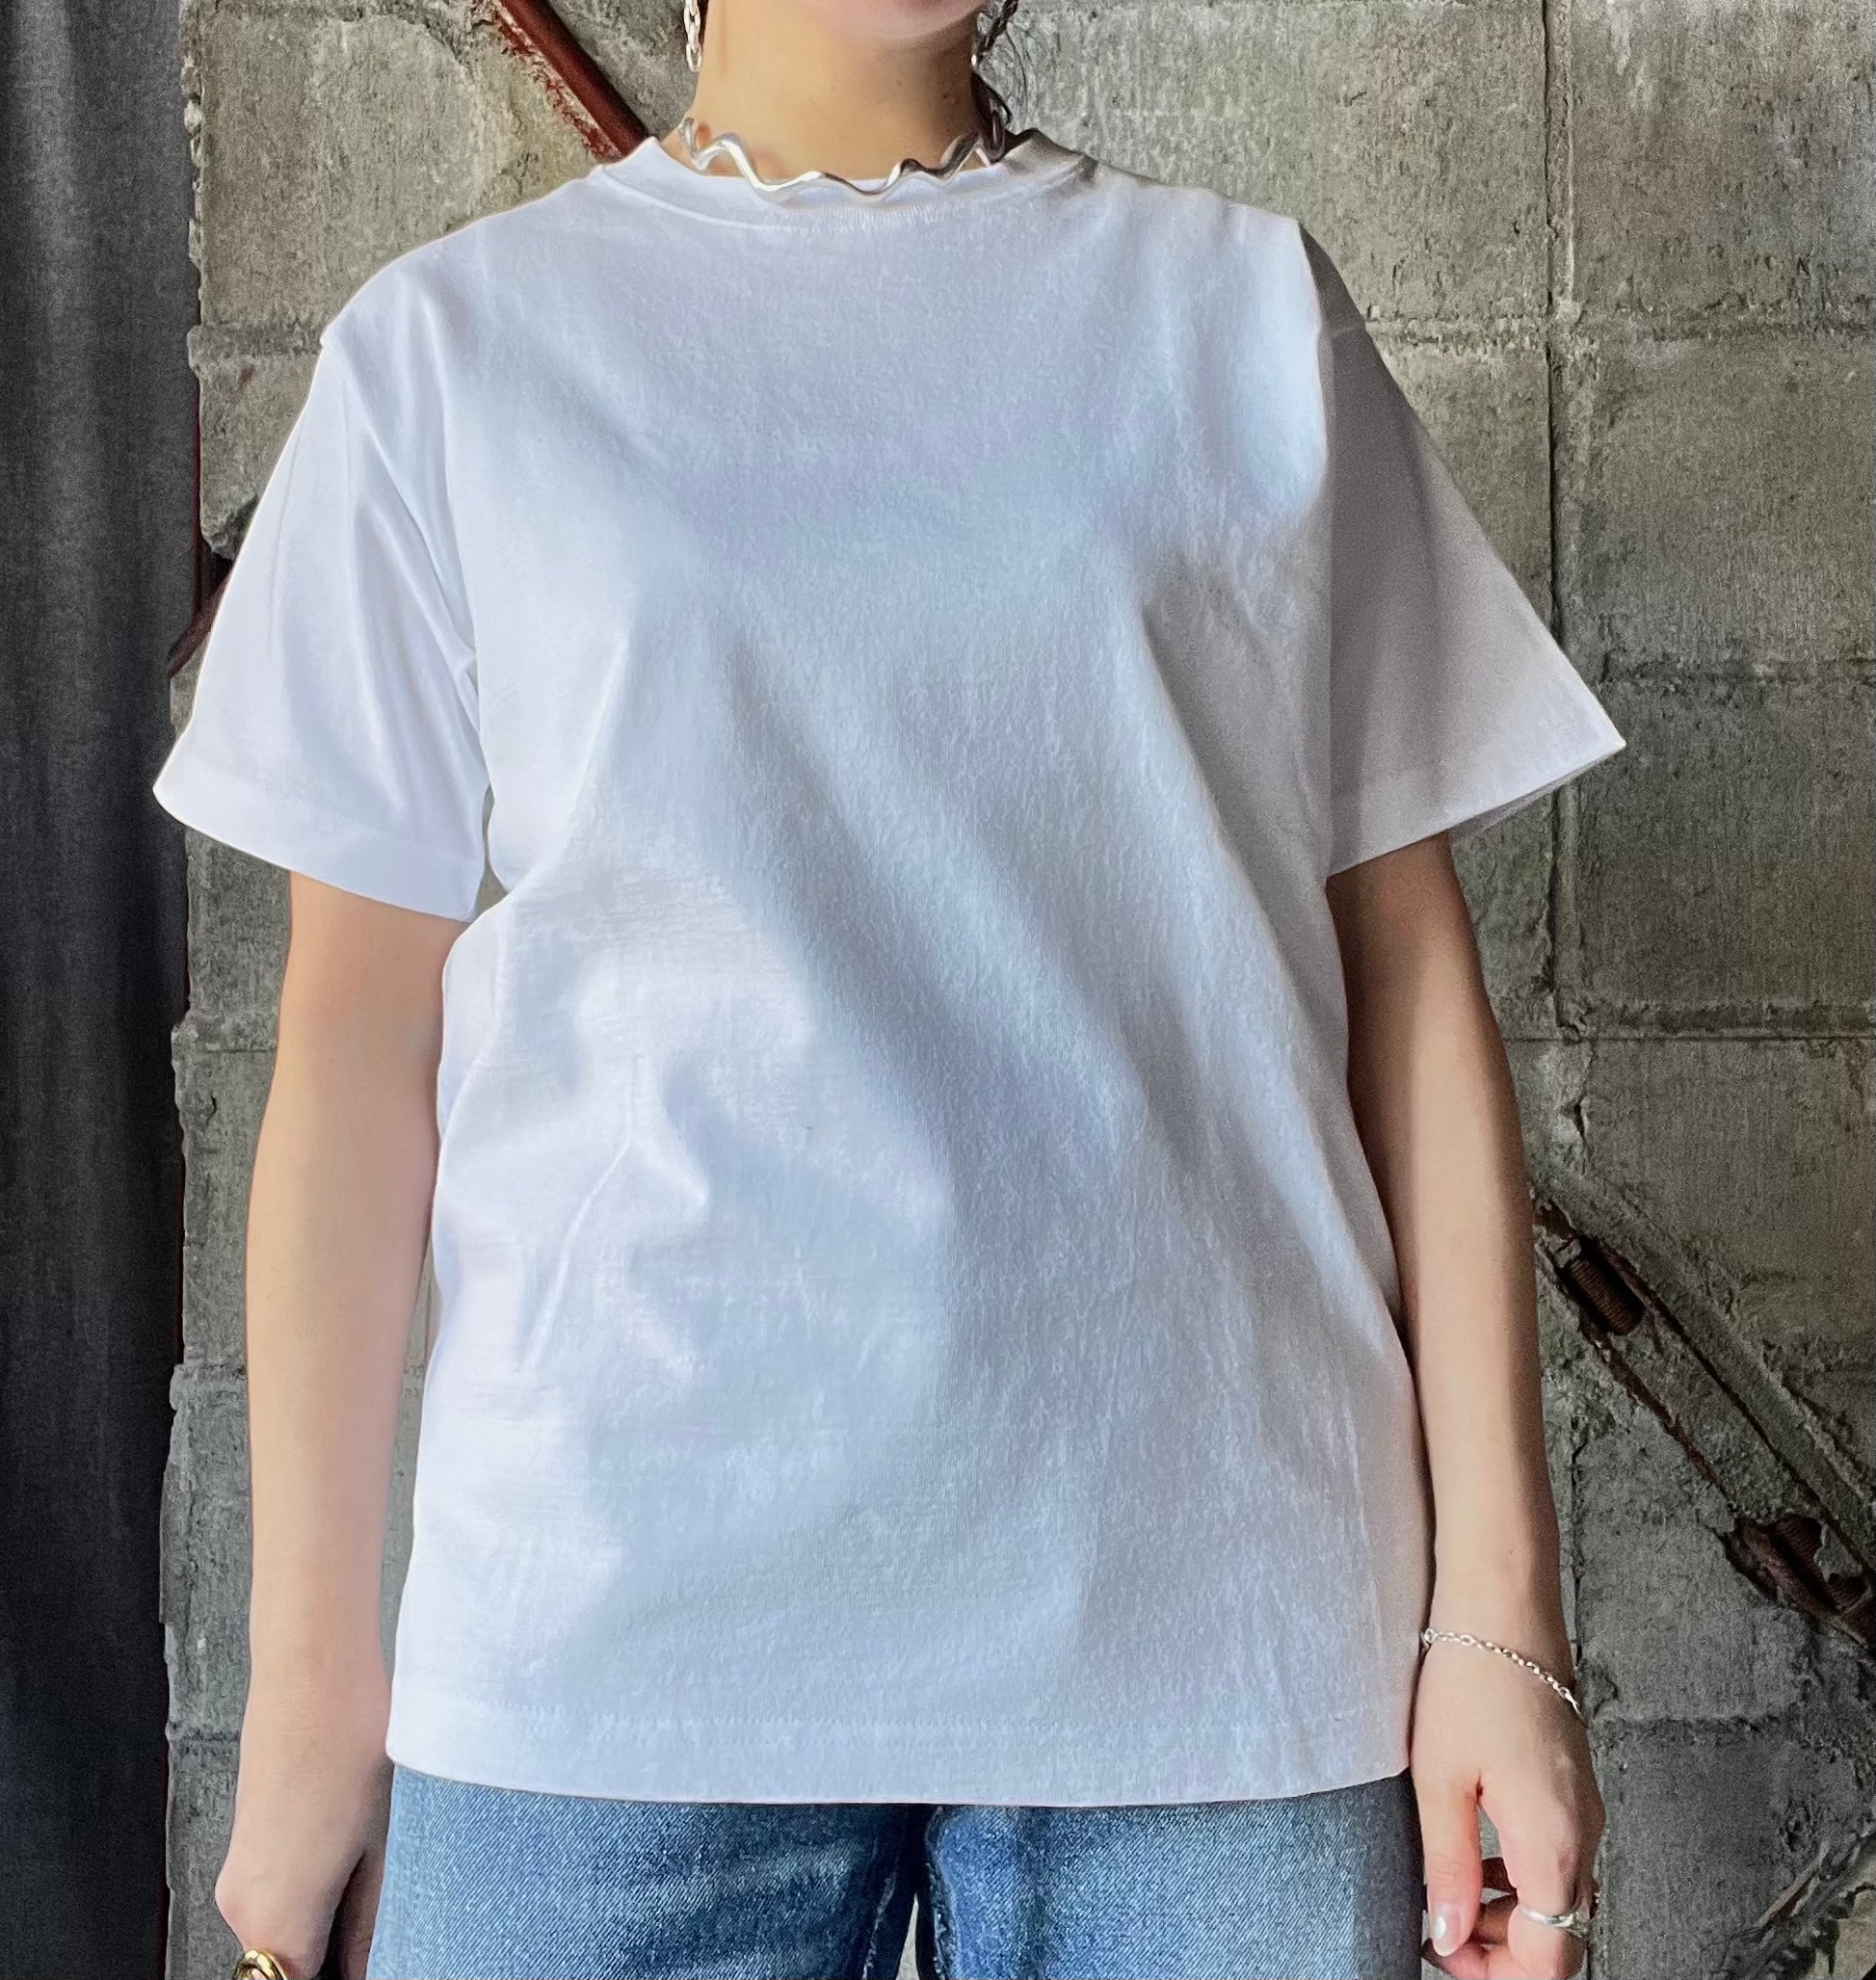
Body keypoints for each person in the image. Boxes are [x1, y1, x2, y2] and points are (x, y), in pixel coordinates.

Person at [152, 1, 1624, 1974]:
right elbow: (352, 1043)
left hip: (1216, 1640)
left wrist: (1499, 1621)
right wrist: (314, 1692)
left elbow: (1412, 983)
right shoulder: (448, 352)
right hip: (611, 1647)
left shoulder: (1240, 313)